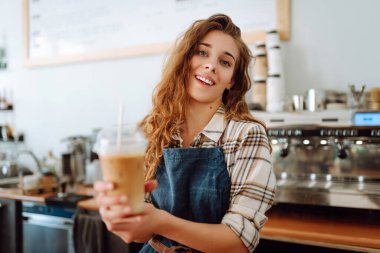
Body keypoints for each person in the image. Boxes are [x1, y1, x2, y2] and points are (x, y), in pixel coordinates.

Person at [95, 13, 276, 253]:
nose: (211, 65)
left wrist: (160, 221)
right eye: (202, 52)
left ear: (232, 80)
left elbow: (238, 242)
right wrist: (120, 215)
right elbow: (138, 233)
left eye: (225, 62)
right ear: (184, 60)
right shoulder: (152, 130)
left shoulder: (246, 136)